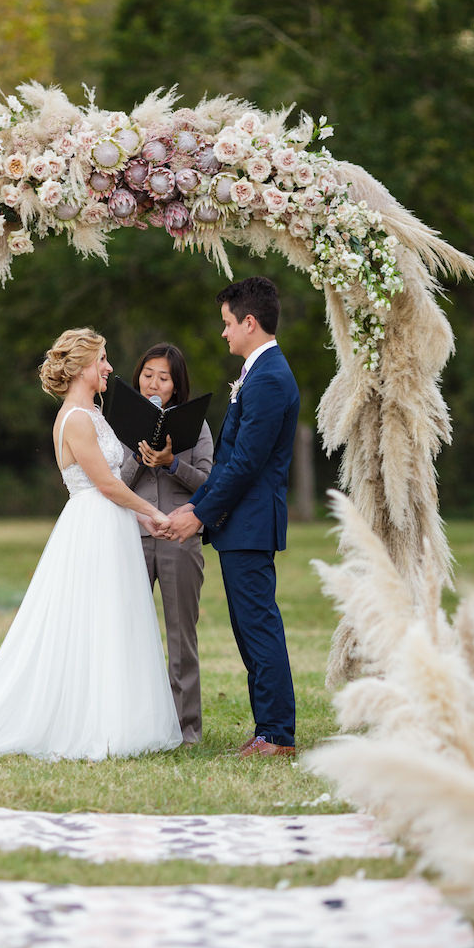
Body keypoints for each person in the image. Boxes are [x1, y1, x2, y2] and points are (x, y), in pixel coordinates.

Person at [0, 328, 182, 761]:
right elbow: (105, 484)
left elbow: (111, 487)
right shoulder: (76, 419)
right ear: (82, 367)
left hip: (108, 522)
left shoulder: (90, 413)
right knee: (92, 622)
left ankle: (115, 718)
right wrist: (153, 512)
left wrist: (139, 518)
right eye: (102, 360)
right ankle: (90, 724)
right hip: (93, 527)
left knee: (110, 620)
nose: (110, 368)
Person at [169, 277, 300, 759]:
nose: (223, 333)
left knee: (258, 627)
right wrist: (196, 504)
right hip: (240, 522)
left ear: (250, 322)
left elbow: (245, 462)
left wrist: (199, 515)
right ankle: (269, 728)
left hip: (250, 523)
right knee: (250, 629)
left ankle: (277, 734)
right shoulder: (259, 372)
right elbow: (233, 460)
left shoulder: (268, 378)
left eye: (227, 324)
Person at [120, 343, 213, 743]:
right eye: (148, 374)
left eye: (164, 377)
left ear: (176, 385)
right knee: (126, 633)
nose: (154, 382)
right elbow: (110, 485)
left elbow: (210, 485)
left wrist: (172, 463)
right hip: (130, 538)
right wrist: (141, 457)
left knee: (181, 637)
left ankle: (186, 729)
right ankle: (132, 724)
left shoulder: (197, 426)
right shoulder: (118, 422)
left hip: (179, 539)